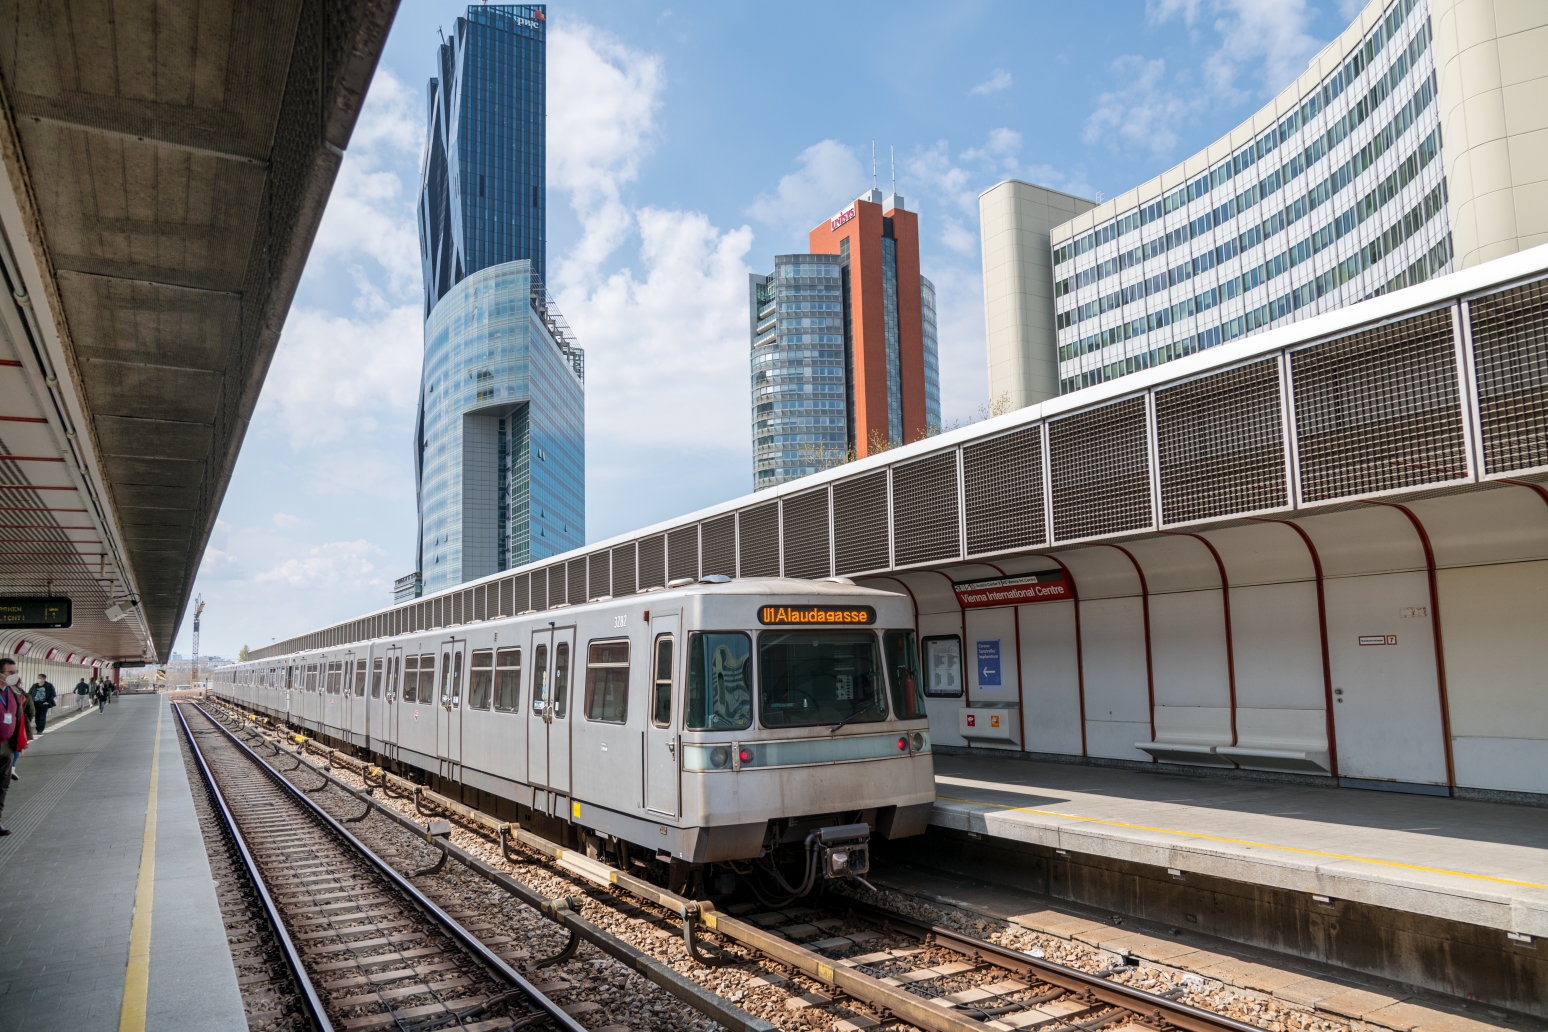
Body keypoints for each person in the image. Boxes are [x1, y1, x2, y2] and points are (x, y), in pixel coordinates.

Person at [0, 659, 27, 833]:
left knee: (3, 784)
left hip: (7, 746)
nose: (14, 676)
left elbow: (19, 717)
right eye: (10, 673)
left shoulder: (14, 693)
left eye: (16, 672)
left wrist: (20, 741)